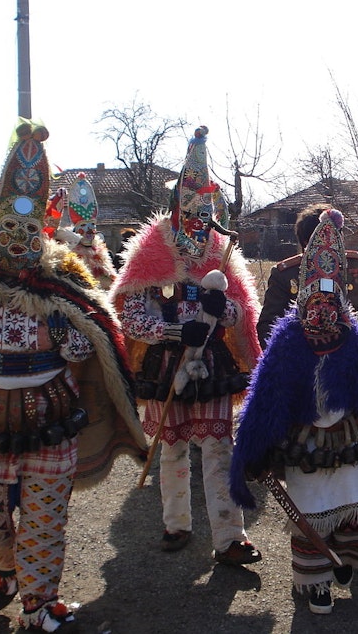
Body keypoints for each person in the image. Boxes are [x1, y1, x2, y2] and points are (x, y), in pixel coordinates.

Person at [0, 119, 148, 633]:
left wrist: (58, 332)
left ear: (39, 231)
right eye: (8, 231)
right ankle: (4, 565)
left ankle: (40, 605)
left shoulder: (63, 285)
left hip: (52, 416)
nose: (17, 242)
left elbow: (91, 345)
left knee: (45, 520)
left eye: (26, 232)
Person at [230, 209, 358, 615]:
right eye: (313, 303)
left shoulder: (355, 340)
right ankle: (316, 581)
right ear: (302, 297)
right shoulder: (287, 342)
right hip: (303, 447)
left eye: (329, 303)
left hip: (349, 440)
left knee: (356, 511)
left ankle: (346, 557)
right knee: (312, 514)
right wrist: (254, 450)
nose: (321, 314)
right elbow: (266, 399)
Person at [111, 125, 263, 566]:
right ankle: (176, 524)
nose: (197, 225)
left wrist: (222, 310)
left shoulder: (222, 256)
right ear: (175, 211)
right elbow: (134, 318)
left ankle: (230, 537)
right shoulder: (151, 257)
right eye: (189, 215)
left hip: (212, 365)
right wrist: (176, 333)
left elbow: (239, 311)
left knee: (218, 449)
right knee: (172, 447)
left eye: (204, 216)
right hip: (165, 368)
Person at [256, 204, 358, 349]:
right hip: (303, 353)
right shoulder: (285, 274)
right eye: (320, 241)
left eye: (334, 239)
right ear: (305, 243)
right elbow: (268, 326)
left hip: (353, 351)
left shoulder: (356, 264)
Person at [65, 172, 118, 290]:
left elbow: (110, 281)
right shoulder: (69, 253)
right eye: (83, 225)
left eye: (92, 225)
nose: (89, 230)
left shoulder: (100, 253)